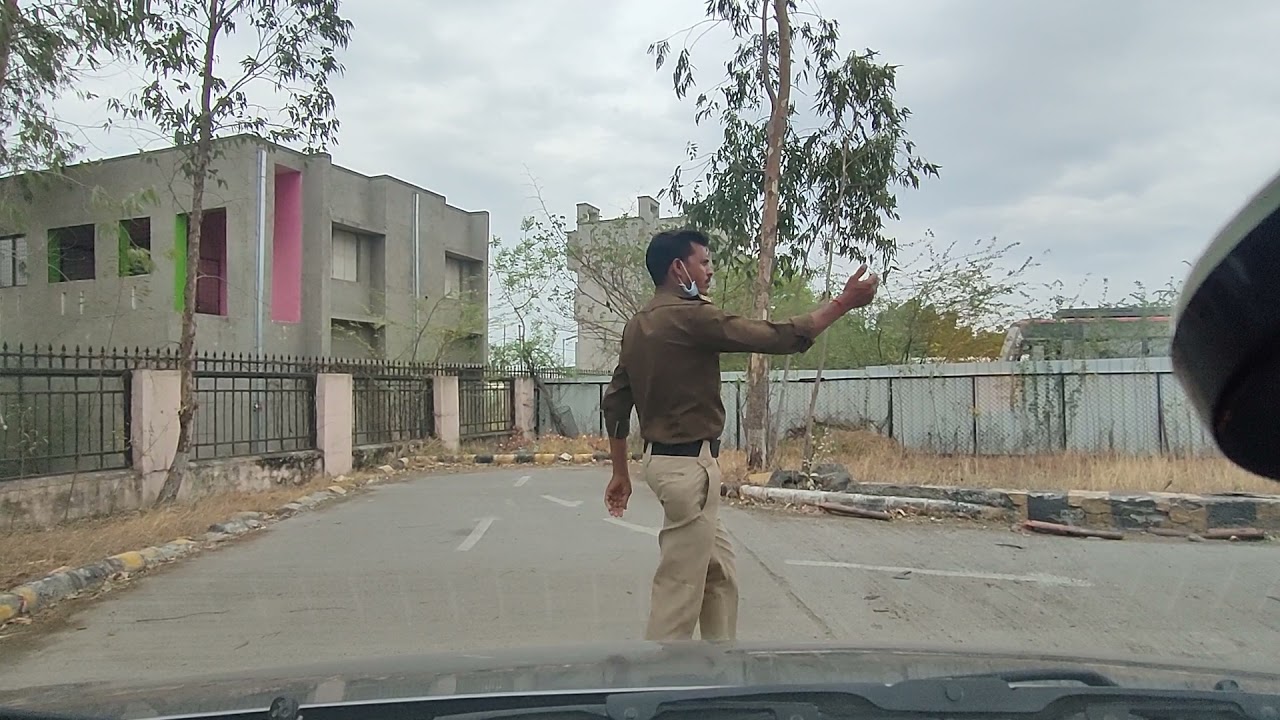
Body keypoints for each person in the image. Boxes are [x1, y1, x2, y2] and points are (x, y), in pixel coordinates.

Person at [600, 228, 880, 642]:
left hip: (669, 465)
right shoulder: (692, 316)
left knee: (720, 574)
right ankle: (655, 687)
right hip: (689, 471)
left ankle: (719, 668)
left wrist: (621, 472)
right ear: (679, 268)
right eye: (705, 262)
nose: (710, 271)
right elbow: (776, 337)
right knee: (679, 591)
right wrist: (843, 303)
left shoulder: (637, 326)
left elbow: (615, 404)